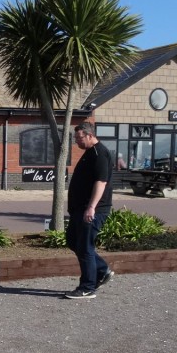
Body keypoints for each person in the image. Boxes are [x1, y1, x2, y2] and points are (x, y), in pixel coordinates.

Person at [64, 123, 114, 299]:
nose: (77, 141)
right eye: (76, 138)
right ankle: (102, 270)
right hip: (80, 209)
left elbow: (101, 183)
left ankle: (87, 287)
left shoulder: (100, 154)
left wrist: (91, 207)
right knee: (73, 241)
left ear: (90, 135)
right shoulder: (90, 153)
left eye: (79, 138)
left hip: (93, 210)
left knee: (85, 247)